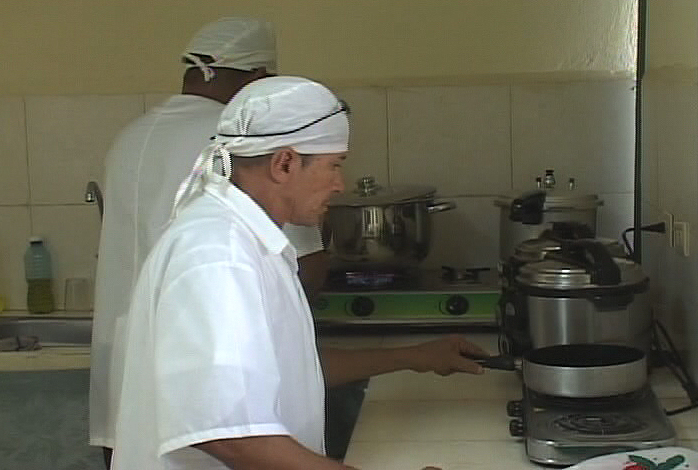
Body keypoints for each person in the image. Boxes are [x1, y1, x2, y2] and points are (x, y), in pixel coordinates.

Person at [110, 75, 489, 470]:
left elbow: (292, 370)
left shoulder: (252, 240)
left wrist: (415, 356)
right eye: (334, 166)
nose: (340, 186)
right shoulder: (218, 255)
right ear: (285, 163)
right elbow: (229, 435)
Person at [88, 17, 327, 467]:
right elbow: (305, 268)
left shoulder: (130, 136)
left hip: (129, 380)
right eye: (333, 166)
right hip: (211, 399)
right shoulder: (242, 140)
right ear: (259, 81)